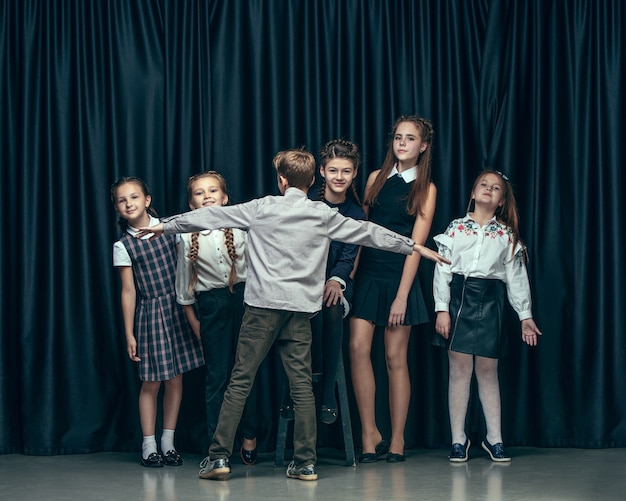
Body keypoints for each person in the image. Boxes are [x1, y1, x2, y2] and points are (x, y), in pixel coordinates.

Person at [135, 148, 449, 482]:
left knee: (240, 381)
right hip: (300, 312)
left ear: (281, 180)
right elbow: (369, 232)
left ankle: (218, 459)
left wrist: (164, 226)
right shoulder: (322, 215)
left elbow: (209, 217)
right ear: (313, 180)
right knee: (302, 388)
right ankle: (305, 464)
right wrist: (413, 246)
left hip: (261, 310)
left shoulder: (261, 207)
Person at [432, 169, 542, 463]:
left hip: (490, 301)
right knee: (458, 371)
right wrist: (442, 309)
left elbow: (517, 278)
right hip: (459, 299)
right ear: (473, 193)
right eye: (483, 185)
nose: (488, 190)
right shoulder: (455, 228)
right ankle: (458, 439)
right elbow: (442, 270)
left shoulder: (507, 235)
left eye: (496, 188)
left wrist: (525, 315)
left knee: (487, 372)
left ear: (502, 201)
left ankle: (495, 438)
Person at [350, 115, 437, 463]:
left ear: (423, 146)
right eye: (398, 137)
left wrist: (403, 295)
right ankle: (370, 434)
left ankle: (398, 439)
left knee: (393, 358)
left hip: (400, 276)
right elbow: (360, 230)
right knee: (357, 349)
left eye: (410, 138)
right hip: (368, 273)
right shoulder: (375, 178)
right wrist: (348, 275)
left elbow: (417, 246)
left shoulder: (426, 188)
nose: (402, 143)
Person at [111, 177, 204, 468]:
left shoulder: (171, 228)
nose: (129, 203)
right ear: (117, 207)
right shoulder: (123, 245)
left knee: (176, 379)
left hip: (179, 307)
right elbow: (129, 291)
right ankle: (148, 445)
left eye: (134, 197)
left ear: (147, 200)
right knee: (152, 382)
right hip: (151, 315)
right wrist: (129, 332)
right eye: (122, 200)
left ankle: (168, 443)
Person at [174, 171, 258, 469]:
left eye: (213, 191)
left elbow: (259, 269)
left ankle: (249, 434)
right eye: (199, 192)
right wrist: (197, 324)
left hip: (245, 302)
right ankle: (216, 446)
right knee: (216, 378)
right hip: (210, 307)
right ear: (192, 203)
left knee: (244, 373)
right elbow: (184, 290)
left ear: (224, 198)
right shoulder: (185, 236)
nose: (207, 195)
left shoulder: (241, 226)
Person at [280, 139, 366, 425]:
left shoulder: (355, 213)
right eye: (333, 171)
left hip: (336, 284)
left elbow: (348, 256)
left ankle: (328, 392)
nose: (339, 177)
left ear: (354, 174)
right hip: (305, 280)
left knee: (330, 307)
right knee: (296, 316)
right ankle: (293, 394)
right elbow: (296, 249)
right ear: (322, 172)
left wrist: (335, 281)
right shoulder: (309, 206)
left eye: (346, 171)